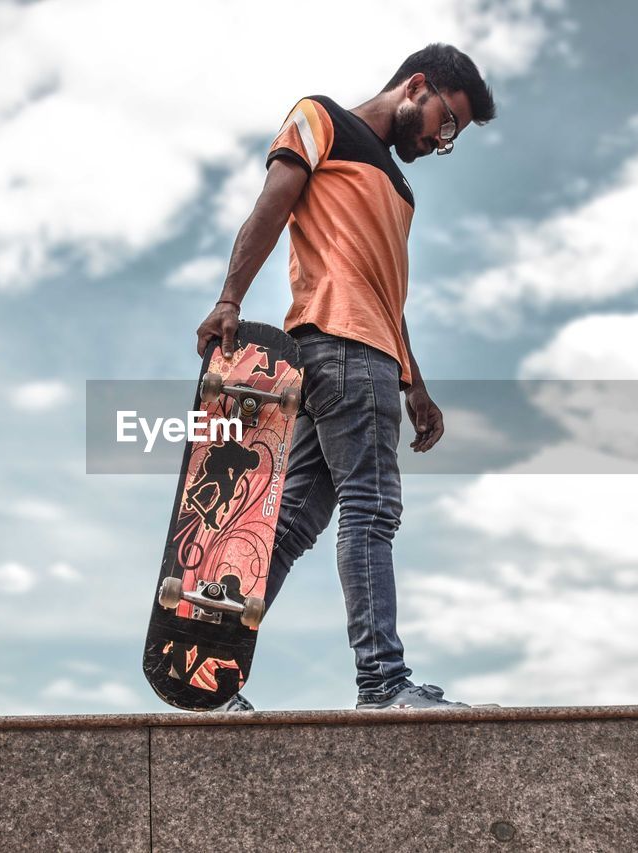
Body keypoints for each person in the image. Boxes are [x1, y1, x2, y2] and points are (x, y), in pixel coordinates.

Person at [195, 44, 496, 710]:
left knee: (296, 519)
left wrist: (414, 381)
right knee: (372, 507)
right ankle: (383, 681)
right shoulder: (320, 119)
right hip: (340, 345)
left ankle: (209, 670)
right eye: (446, 123)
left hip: (363, 357)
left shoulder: (399, 186)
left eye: (454, 139)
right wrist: (230, 300)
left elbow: (385, 289)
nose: (442, 142)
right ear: (418, 86)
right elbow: (272, 206)